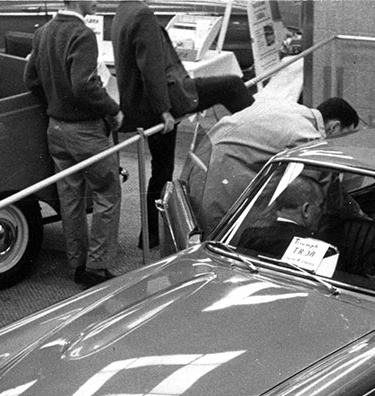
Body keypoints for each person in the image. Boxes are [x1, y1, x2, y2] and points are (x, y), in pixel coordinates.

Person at [111, 0, 255, 248]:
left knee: (161, 170)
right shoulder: (142, 14)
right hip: (160, 104)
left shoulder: (122, 11)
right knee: (231, 85)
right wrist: (164, 110)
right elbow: (151, 68)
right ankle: (259, 126)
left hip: (142, 105)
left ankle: (151, 234)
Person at [24, 0, 123, 288]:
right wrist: (112, 109)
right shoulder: (82, 35)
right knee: (108, 193)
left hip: (55, 129)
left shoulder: (42, 33)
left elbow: (30, 79)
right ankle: (97, 266)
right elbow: (84, 84)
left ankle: (78, 264)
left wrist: (55, 102)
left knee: (71, 200)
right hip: (86, 133)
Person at [196, 97, 360, 236]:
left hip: (201, 164)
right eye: (345, 136)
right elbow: (326, 190)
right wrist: (360, 217)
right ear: (334, 127)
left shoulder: (290, 108)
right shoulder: (308, 137)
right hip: (221, 184)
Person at [236, 176, 326, 258]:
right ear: (305, 209)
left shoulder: (249, 234)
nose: (322, 212)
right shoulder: (314, 247)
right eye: (320, 207)